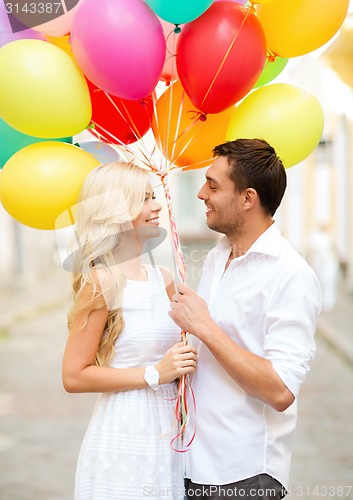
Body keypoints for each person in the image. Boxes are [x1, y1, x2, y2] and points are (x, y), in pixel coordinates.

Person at [169, 139, 322, 499]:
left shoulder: (291, 275)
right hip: (191, 464)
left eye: (213, 185)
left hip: (243, 475)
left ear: (247, 198)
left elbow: (280, 390)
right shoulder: (215, 258)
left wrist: (204, 327)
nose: (201, 194)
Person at [62, 161, 197, 500]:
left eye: (154, 196)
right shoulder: (102, 280)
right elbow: (74, 376)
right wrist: (155, 373)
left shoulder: (164, 278)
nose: (157, 205)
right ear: (116, 211)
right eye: (145, 198)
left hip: (171, 430)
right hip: (126, 428)